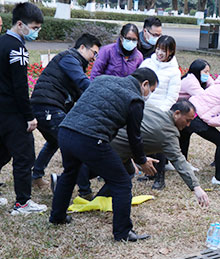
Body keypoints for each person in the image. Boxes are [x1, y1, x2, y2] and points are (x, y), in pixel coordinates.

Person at [49, 68, 159, 242]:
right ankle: (123, 233)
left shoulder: (103, 79)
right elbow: (134, 137)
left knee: (70, 173)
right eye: (151, 90)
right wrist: (142, 161)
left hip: (66, 130)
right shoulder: (135, 99)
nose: (149, 94)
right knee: (122, 182)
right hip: (90, 138)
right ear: (144, 84)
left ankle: (57, 216)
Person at [30, 33, 101, 197]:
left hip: (46, 107)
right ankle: (84, 191)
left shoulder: (75, 63)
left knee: (54, 142)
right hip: (48, 107)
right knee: (76, 146)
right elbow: (82, 83)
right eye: (94, 53)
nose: (94, 58)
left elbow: (79, 94)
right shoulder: (69, 58)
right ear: (82, 47)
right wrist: (101, 91)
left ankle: (36, 176)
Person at [107, 100, 209, 207]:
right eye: (187, 120)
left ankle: (96, 195)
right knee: (122, 181)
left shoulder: (153, 109)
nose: (188, 125)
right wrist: (196, 187)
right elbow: (179, 160)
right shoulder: (168, 133)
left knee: (128, 172)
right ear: (177, 113)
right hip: (111, 151)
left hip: (104, 136)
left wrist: (140, 158)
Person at [0, 2, 46, 215]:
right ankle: (22, 203)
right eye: (34, 28)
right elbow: (20, 86)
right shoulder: (17, 48)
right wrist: (29, 117)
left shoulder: (1, 42)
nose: (36, 32)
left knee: (2, 154)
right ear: (20, 24)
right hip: (13, 113)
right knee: (24, 156)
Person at [139, 35, 181, 190]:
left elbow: (172, 96)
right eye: (158, 48)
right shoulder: (147, 63)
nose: (160, 53)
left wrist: (159, 112)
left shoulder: (174, 71)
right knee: (143, 143)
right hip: (142, 109)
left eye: (164, 50)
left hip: (159, 112)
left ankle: (160, 178)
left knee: (159, 146)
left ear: (171, 52)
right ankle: (149, 172)